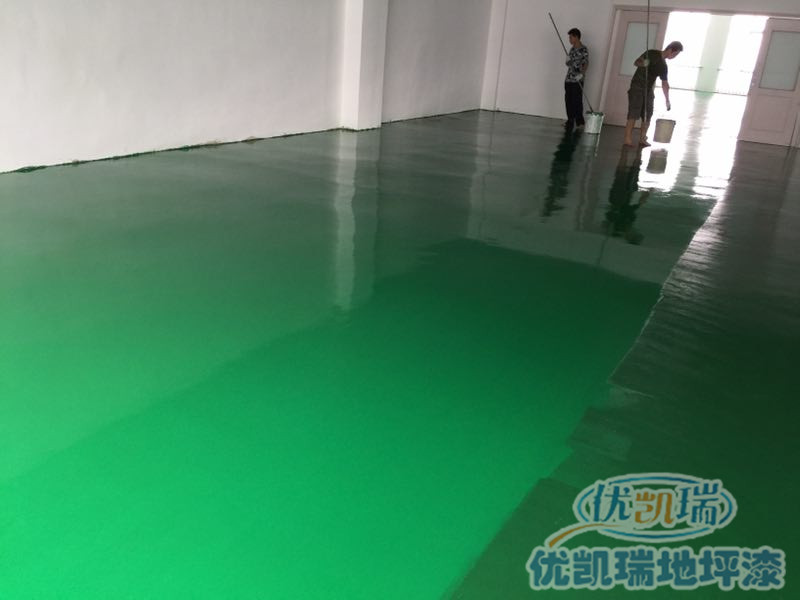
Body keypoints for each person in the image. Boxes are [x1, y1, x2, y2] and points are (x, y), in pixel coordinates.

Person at [623, 41, 683, 147]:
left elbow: (665, 84)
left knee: (648, 113)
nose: (675, 57)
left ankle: (642, 138)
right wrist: (644, 63)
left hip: (648, 89)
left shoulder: (663, 66)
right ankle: (627, 139)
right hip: (637, 86)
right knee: (633, 113)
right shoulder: (651, 53)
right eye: (675, 54)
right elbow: (636, 62)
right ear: (670, 50)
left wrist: (667, 100)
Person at [563, 28, 589, 131]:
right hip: (569, 79)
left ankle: (580, 122)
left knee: (577, 100)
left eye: (571, 37)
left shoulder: (583, 49)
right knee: (568, 100)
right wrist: (567, 61)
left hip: (577, 80)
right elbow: (568, 63)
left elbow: (586, 63)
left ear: (576, 37)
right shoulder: (572, 49)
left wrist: (582, 74)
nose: (569, 39)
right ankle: (570, 120)